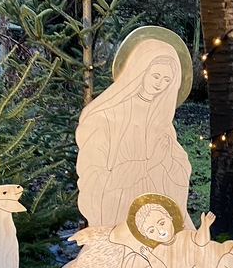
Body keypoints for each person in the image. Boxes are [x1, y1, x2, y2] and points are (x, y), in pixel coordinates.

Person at [75, 36, 192, 228]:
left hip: (157, 211)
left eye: (167, 80)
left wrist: (171, 163)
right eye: (155, 76)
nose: (160, 84)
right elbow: (99, 176)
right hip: (121, 209)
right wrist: (149, 163)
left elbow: (179, 168)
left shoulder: (161, 121)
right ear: (141, 70)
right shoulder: (108, 116)